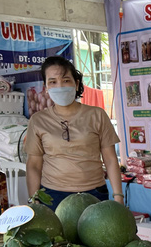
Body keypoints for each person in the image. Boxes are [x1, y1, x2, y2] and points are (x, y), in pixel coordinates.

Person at [25, 56, 124, 210]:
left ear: (76, 84)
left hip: (94, 193)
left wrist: (118, 196)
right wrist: (34, 200)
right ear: (46, 88)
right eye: (53, 82)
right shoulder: (38, 120)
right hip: (53, 196)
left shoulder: (97, 115)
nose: (60, 86)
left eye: (66, 80)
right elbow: (34, 165)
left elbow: (110, 159)